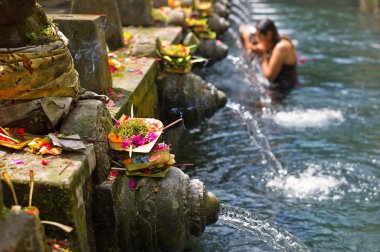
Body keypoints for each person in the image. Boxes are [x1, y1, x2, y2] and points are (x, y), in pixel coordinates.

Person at [240, 19, 299, 99]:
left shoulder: (281, 47)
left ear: (268, 35)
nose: (257, 40)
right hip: (276, 86)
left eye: (260, 36)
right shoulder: (272, 42)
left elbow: (270, 76)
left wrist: (263, 53)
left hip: (284, 88)